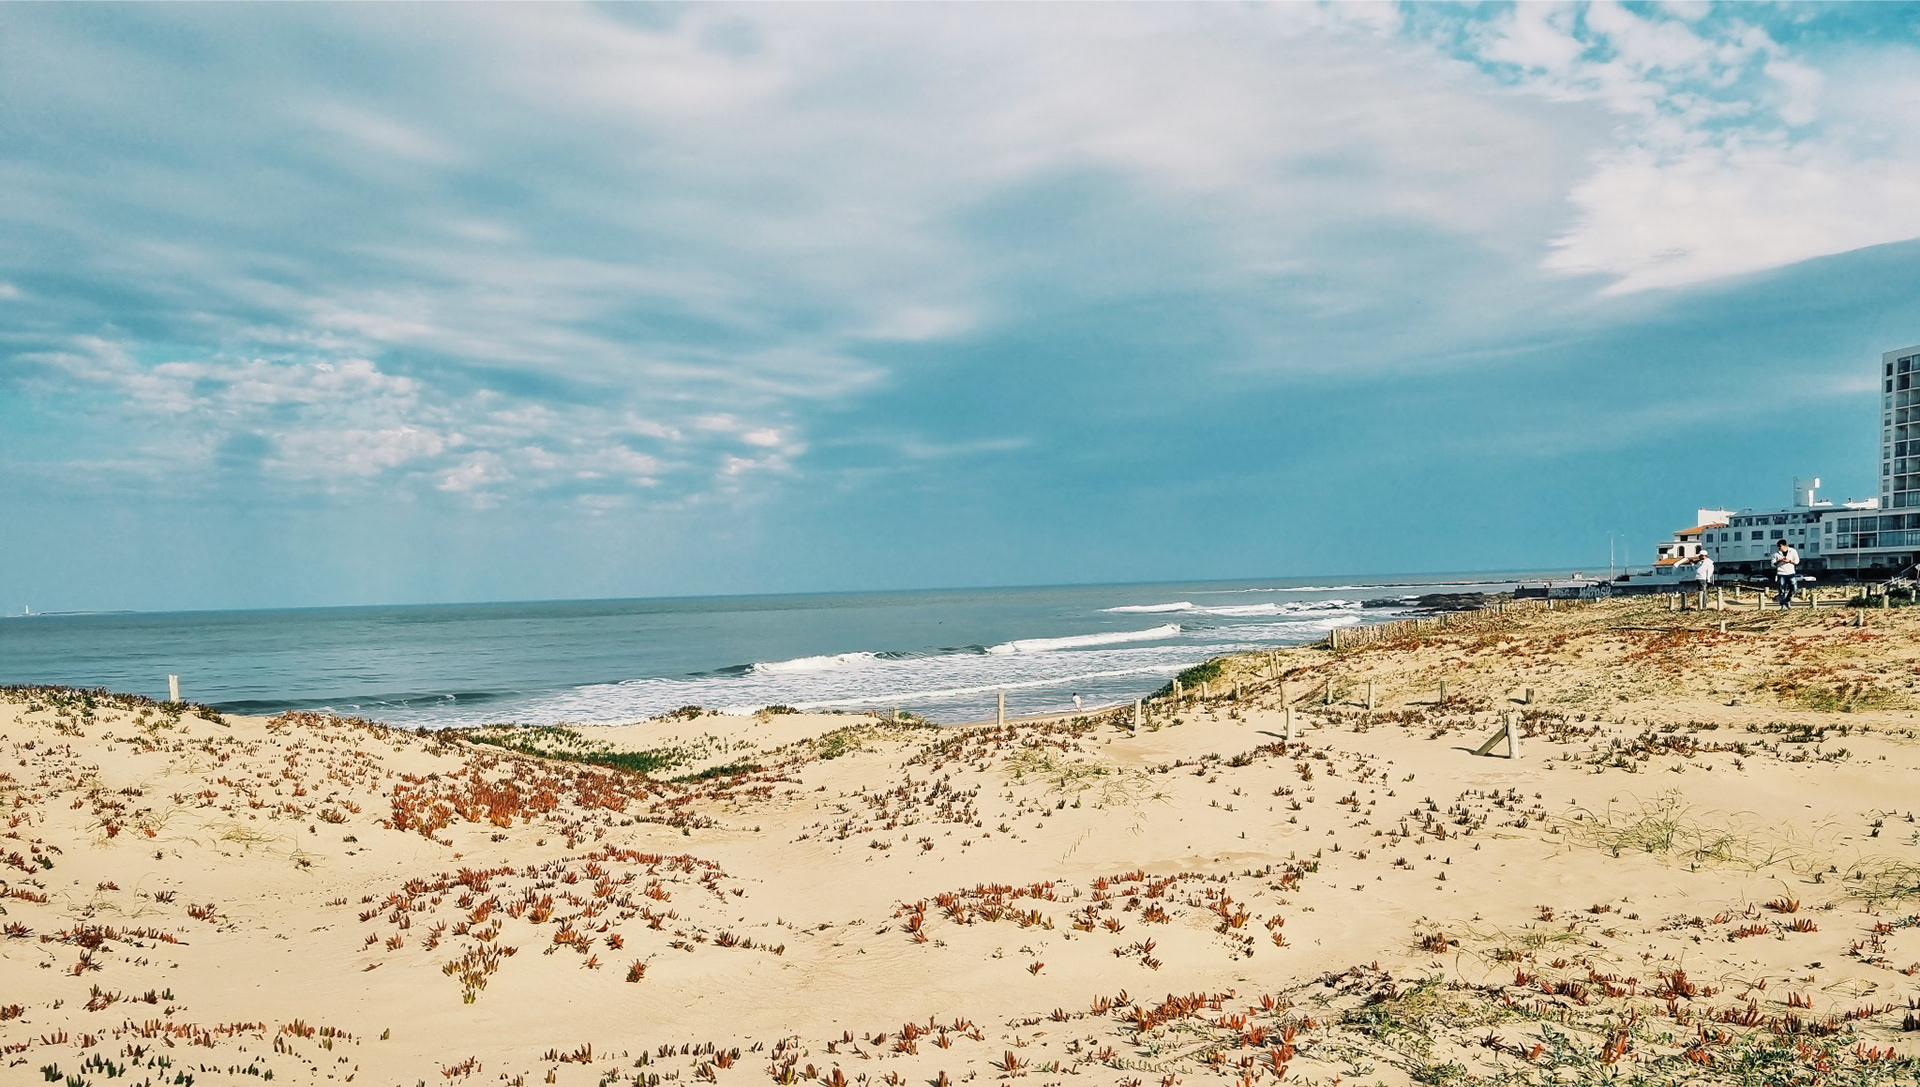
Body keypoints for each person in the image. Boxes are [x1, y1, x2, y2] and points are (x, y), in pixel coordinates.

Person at [1772, 539, 1800, 608]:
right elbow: (1773, 564)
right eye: (1778, 546)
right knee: (1781, 590)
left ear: (1785, 546)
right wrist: (1779, 561)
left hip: (1791, 573)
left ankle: (1787, 600)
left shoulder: (1793, 551)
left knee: (1794, 588)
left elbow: (1797, 561)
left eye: (1780, 546)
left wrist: (1789, 561)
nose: (1779, 548)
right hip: (1781, 573)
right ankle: (1783, 605)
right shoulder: (1776, 554)